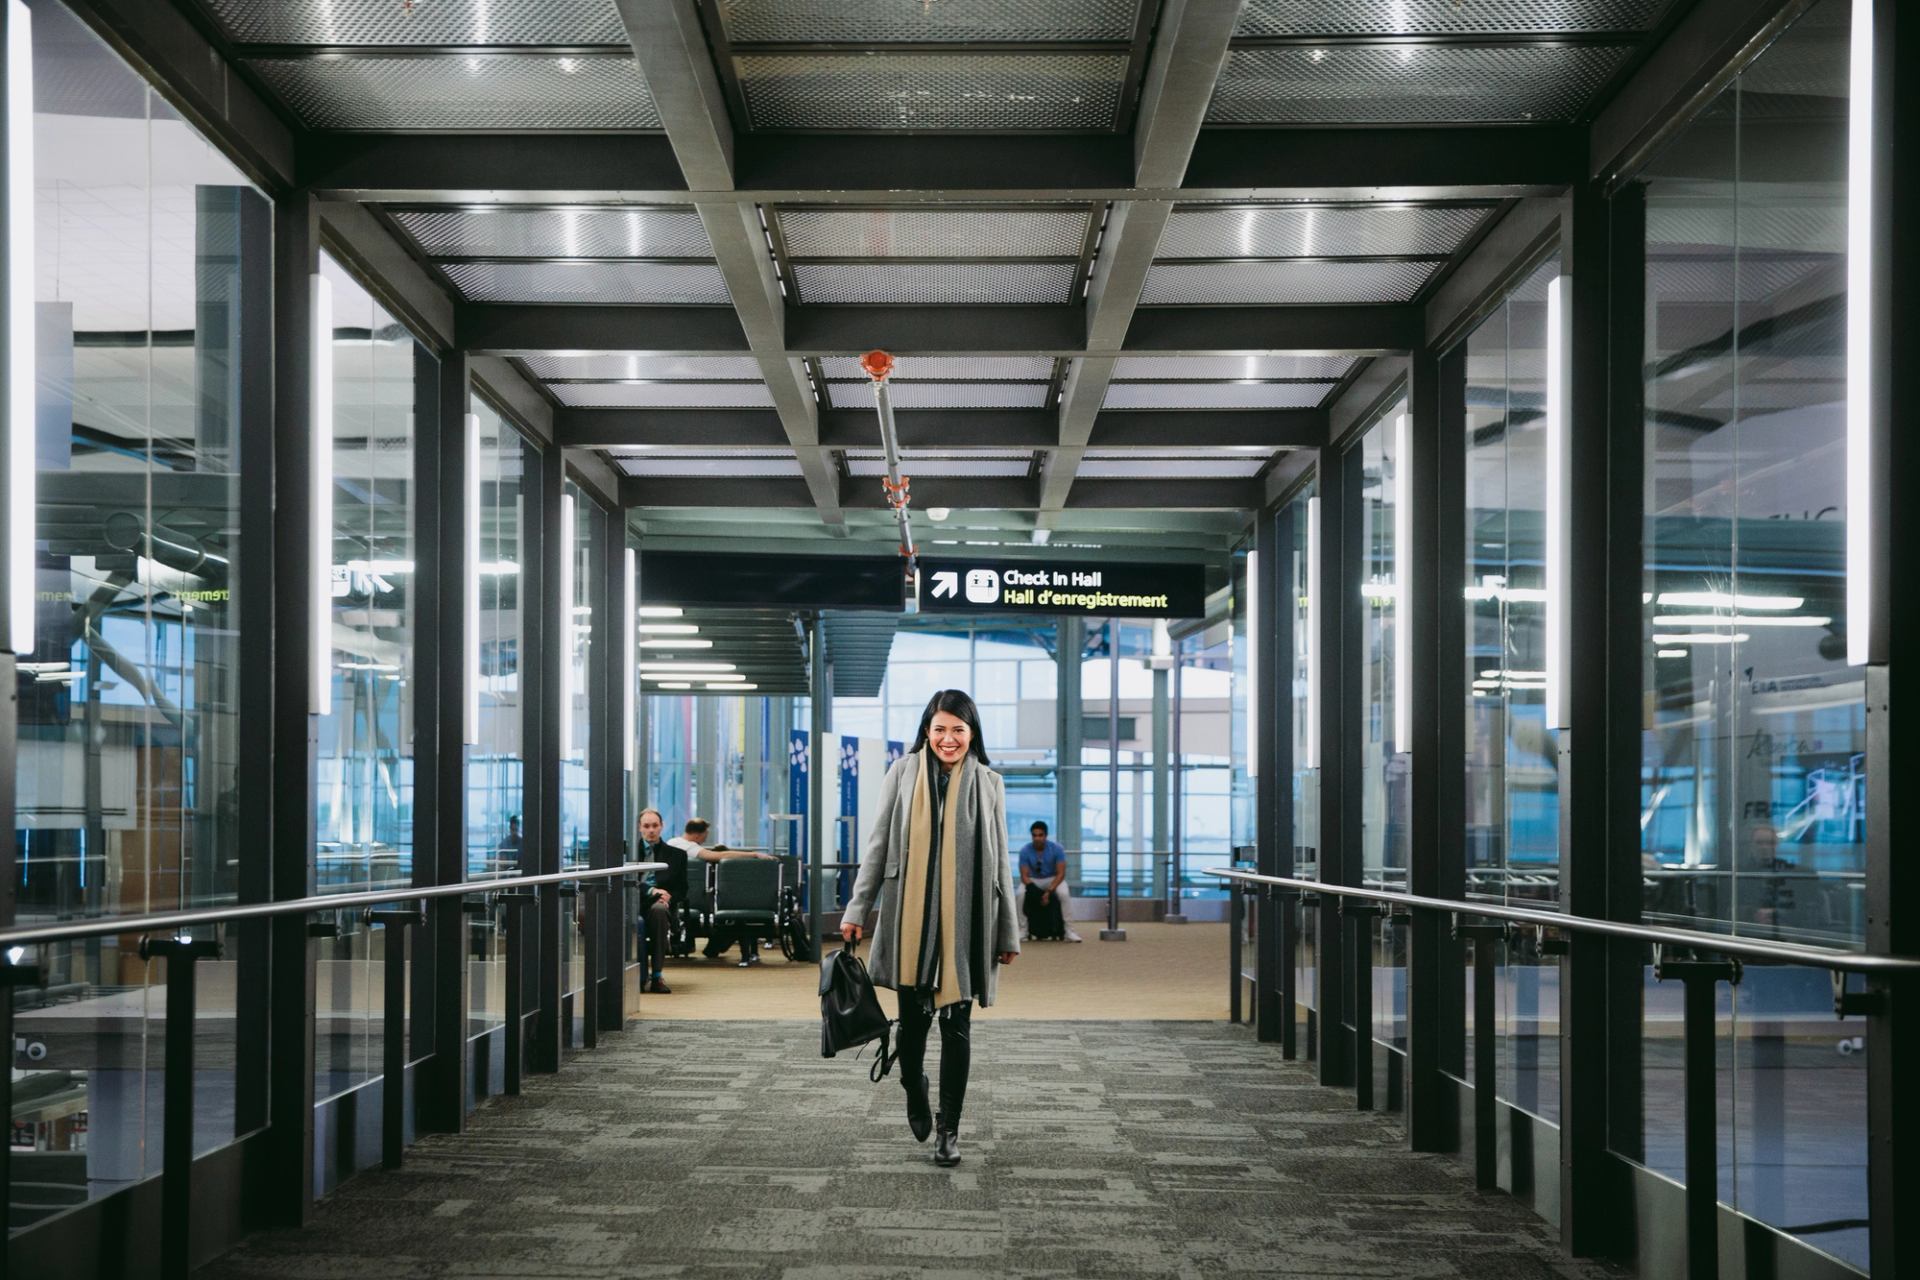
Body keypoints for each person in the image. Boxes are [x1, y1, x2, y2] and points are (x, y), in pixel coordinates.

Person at [842, 690, 1020, 1168]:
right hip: (911, 921)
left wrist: (1009, 932)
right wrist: (857, 909)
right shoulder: (902, 773)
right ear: (927, 730)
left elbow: (1001, 861)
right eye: (940, 729)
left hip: (966, 924)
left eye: (958, 730)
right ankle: (913, 1087)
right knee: (915, 1028)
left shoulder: (990, 783)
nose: (949, 738)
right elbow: (878, 845)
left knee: (957, 1027)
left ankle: (949, 1128)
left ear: (972, 734)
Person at [634, 808, 685, 994]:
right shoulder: (630, 853)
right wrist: (651, 890)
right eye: (646, 826)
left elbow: (682, 889)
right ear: (640, 828)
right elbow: (626, 882)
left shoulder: (677, 855)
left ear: (661, 827)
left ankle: (657, 975)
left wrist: (668, 896)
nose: (651, 830)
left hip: (659, 905)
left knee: (659, 911)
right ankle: (638, 976)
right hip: (635, 901)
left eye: (655, 826)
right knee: (637, 921)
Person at [1016, 820, 1083, 943]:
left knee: (1064, 894)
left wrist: (1048, 891)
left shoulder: (1057, 849)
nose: (1037, 838)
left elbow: (1061, 873)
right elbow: (1024, 875)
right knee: (1020, 894)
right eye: (1034, 835)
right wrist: (1034, 890)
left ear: (1045, 836)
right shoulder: (1025, 850)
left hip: (1053, 878)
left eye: (1040, 835)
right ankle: (1023, 930)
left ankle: (1070, 931)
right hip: (1033, 879)